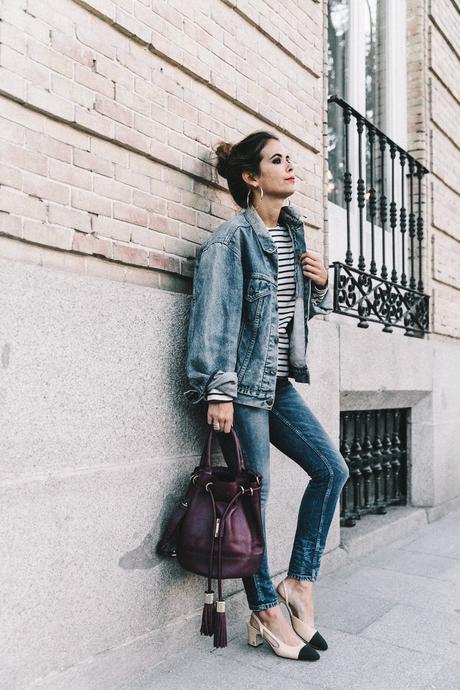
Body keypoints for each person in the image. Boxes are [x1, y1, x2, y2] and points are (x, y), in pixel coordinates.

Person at [183, 131, 349, 661]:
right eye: (278, 161)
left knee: (332, 469)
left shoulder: (293, 236)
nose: (290, 168)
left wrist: (319, 288)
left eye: (291, 160)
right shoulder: (230, 242)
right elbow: (214, 323)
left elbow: (289, 323)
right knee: (255, 495)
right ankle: (264, 610)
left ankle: (298, 581)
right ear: (251, 178)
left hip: (276, 385)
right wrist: (218, 391)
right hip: (242, 391)